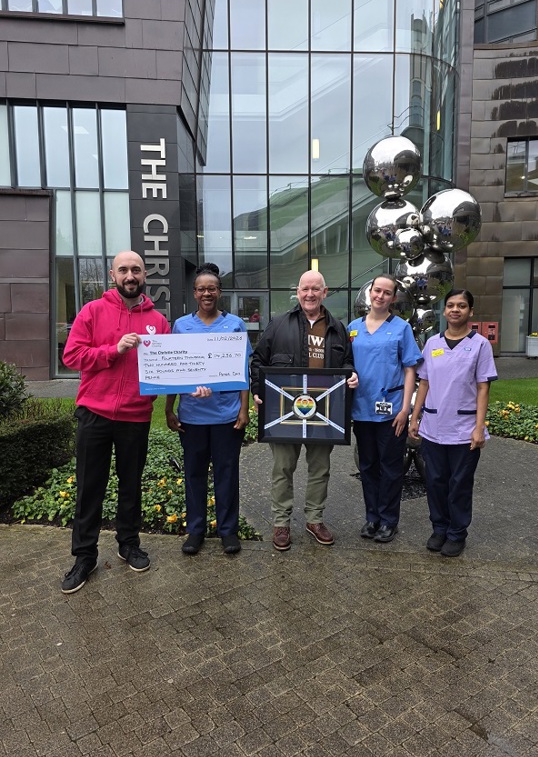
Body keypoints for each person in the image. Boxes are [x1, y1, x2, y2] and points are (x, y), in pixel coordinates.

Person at [61, 251, 170, 594]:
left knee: (131, 485)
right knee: (89, 487)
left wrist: (191, 386)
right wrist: (113, 349)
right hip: (95, 413)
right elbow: (72, 356)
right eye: (123, 269)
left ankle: (129, 544)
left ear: (144, 275)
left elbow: (169, 368)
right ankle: (84, 556)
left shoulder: (159, 321)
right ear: (113, 275)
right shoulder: (93, 311)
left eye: (136, 269)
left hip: (135, 417)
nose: (130, 275)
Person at [250, 270, 358, 551]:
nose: (309, 294)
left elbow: (346, 362)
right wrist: (258, 390)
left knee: (320, 469)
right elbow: (258, 360)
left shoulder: (337, 327)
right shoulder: (278, 324)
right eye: (304, 289)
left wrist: (350, 374)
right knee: (282, 468)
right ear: (297, 292)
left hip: (324, 413)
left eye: (315, 289)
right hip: (285, 411)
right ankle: (281, 523)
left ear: (325, 292)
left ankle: (314, 519)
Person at [165, 264, 250, 556]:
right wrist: (168, 409)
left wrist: (244, 409)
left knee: (227, 474)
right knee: (194, 474)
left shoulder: (236, 324)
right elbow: (173, 370)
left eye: (211, 288)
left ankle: (228, 532)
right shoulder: (181, 325)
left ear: (220, 292)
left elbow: (242, 370)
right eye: (201, 289)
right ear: (194, 293)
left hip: (227, 415)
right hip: (192, 416)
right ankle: (196, 530)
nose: (206, 293)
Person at [409, 289, 497, 558]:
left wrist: (479, 427)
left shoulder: (480, 344)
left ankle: (457, 533)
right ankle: (439, 528)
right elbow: (424, 382)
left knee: (459, 483)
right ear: (444, 311)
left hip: (463, 429)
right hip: (434, 426)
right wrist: (415, 416)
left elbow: (483, 388)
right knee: (435, 481)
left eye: (461, 306)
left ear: (470, 311)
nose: (455, 310)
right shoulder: (432, 343)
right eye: (450, 305)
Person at [348, 275, 423, 543]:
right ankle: (372, 518)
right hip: (362, 409)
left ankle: (389, 520)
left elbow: (410, 368)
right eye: (376, 290)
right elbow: (346, 365)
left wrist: (406, 409)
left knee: (391, 468)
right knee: (368, 467)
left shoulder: (401, 328)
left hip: (392, 411)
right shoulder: (353, 328)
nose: (380, 296)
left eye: (386, 292)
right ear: (370, 293)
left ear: (393, 298)